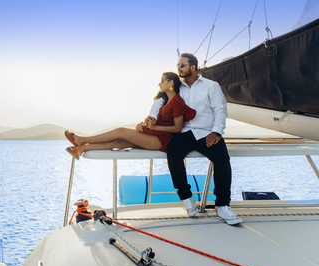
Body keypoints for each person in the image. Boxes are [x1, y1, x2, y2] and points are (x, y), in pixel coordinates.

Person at [167, 53, 242, 225]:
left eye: (182, 65)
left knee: (222, 157)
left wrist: (216, 132)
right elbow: (164, 103)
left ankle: (222, 206)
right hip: (184, 132)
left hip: (206, 132)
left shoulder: (211, 85)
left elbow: (220, 109)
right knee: (172, 153)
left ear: (193, 67)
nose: (178, 68)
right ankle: (186, 198)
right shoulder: (177, 87)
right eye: (178, 65)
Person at [64, 72, 196, 159]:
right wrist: (144, 126)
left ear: (171, 83)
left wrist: (154, 129)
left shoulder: (177, 101)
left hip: (162, 141)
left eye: (162, 81)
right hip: (155, 136)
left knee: (120, 131)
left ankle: (81, 140)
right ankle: (81, 149)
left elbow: (177, 129)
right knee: (118, 142)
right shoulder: (165, 102)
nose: (159, 84)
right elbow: (157, 123)